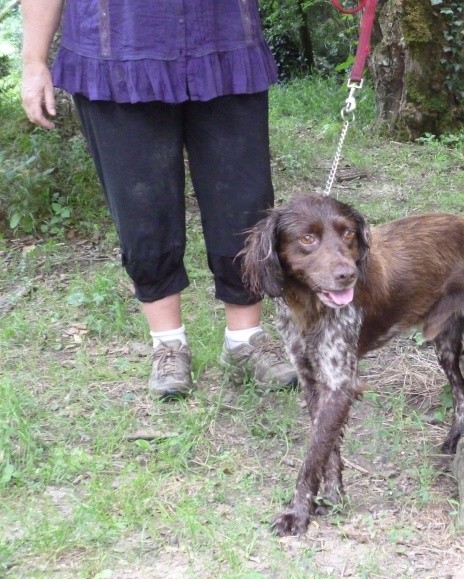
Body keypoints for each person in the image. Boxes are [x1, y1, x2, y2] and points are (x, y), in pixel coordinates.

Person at [20, 0, 295, 398]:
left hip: (225, 41)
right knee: (142, 211)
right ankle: (168, 344)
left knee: (244, 201)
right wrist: (33, 61)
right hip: (117, 54)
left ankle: (245, 340)